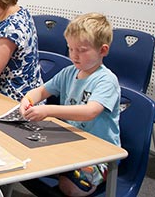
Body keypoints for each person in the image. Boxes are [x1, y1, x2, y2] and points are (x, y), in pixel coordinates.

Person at [19, 13, 120, 196]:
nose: (74, 55)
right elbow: (41, 91)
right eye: (70, 49)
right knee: (25, 159)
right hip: (70, 142)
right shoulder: (69, 72)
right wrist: (28, 99)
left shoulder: (106, 80)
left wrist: (48, 110)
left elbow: (90, 111)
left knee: (71, 188)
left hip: (100, 154)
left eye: (81, 50)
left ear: (103, 50)